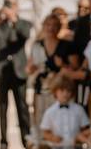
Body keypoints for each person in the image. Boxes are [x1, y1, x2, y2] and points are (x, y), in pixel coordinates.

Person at [0, 0, 32, 149]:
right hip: (2, 72)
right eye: (7, 4)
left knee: (22, 107)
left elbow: (25, 35)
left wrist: (14, 20)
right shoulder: (0, 25)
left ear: (17, 7)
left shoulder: (24, 23)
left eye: (11, 4)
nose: (8, 7)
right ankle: (4, 142)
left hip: (19, 71)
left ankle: (27, 141)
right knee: (3, 108)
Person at [27, 13, 74, 142]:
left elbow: (75, 69)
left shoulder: (67, 45)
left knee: (58, 119)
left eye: (54, 25)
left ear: (59, 28)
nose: (51, 28)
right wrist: (31, 69)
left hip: (59, 90)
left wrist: (62, 65)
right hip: (40, 88)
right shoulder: (37, 45)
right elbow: (29, 67)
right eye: (48, 25)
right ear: (43, 26)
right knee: (40, 117)